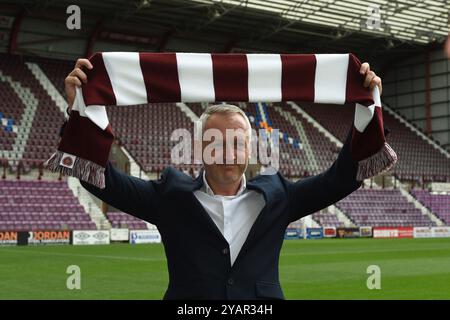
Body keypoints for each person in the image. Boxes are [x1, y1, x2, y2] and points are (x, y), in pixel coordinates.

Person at [63, 57, 382, 300]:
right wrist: (80, 109)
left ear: (251, 149)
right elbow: (101, 179)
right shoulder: (169, 197)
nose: (228, 152)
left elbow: (341, 178)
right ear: (200, 148)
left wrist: (366, 108)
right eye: (216, 142)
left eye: (237, 142)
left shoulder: (279, 197)